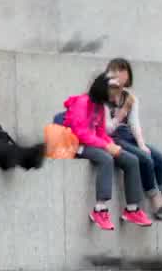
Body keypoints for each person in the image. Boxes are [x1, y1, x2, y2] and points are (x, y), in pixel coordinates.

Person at [64, 73, 152, 230]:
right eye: (112, 95)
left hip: (94, 143)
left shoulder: (99, 107)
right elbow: (81, 134)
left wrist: (111, 144)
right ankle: (100, 209)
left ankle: (132, 209)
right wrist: (106, 146)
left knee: (131, 159)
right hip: (76, 145)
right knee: (106, 159)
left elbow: (102, 133)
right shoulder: (82, 103)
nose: (114, 100)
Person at [106, 58, 162, 220]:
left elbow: (134, 124)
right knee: (145, 159)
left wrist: (141, 144)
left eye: (124, 70)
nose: (121, 74)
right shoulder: (104, 97)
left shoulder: (130, 97)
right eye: (117, 70)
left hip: (129, 136)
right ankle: (155, 202)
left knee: (161, 159)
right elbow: (107, 129)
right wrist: (122, 112)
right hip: (113, 138)